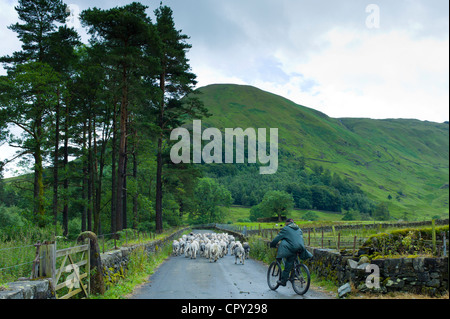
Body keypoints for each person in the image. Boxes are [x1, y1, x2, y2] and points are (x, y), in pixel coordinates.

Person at [269, 218, 312, 286]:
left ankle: (283, 281)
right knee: (294, 258)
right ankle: (295, 273)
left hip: (292, 247)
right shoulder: (298, 229)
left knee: (288, 263)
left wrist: (272, 244)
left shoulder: (286, 229)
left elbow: (278, 238)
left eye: (285, 223)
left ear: (287, 223)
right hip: (301, 247)